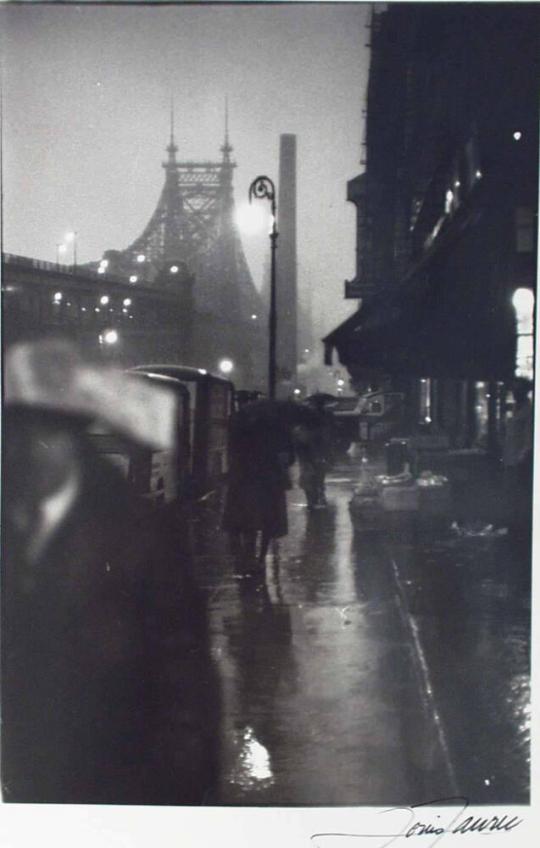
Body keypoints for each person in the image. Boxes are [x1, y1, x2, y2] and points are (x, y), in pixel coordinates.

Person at [1, 339, 220, 805]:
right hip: (33, 786)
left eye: (46, 435)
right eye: (17, 436)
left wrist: (176, 794)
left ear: (72, 439)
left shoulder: (140, 534)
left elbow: (184, 670)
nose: (29, 451)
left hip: (122, 781)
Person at [222, 404, 293, 566]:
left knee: (248, 519)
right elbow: (288, 457)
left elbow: (234, 452)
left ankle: (248, 554)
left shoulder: (239, 425)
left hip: (245, 480)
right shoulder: (277, 429)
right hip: (270, 482)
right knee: (268, 520)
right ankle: (260, 558)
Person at [503, 378, 534, 550]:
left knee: (519, 495)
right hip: (510, 459)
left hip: (518, 462)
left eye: (517, 391)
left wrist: (521, 459)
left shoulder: (529, 412)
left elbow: (528, 441)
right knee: (511, 494)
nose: (514, 395)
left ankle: (519, 529)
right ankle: (514, 527)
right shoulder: (516, 410)